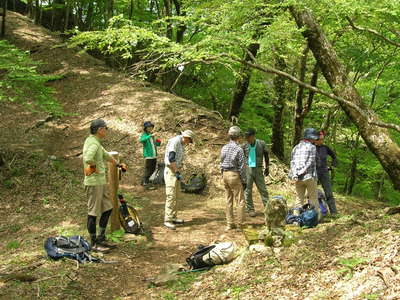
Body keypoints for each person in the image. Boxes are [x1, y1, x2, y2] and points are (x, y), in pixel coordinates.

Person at [83, 119, 117, 252]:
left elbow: (105, 155)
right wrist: (95, 169)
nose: (106, 130)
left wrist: (116, 163)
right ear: (99, 130)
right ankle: (93, 243)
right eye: (105, 128)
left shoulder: (95, 141)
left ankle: (101, 238)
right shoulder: (93, 143)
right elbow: (88, 159)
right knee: (93, 213)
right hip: (94, 183)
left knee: (108, 208)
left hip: (100, 183)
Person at [163, 130, 195, 230]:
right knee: (171, 195)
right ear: (185, 137)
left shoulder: (181, 144)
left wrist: (178, 171)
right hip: (171, 170)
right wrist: (176, 171)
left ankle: (173, 217)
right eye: (189, 141)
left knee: (176, 195)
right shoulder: (175, 141)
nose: (188, 143)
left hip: (175, 170)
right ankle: (167, 220)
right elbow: (171, 158)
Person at [289, 128, 321, 219]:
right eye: (314, 138)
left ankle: (295, 219)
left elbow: (292, 162)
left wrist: (296, 174)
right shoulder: (312, 147)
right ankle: (314, 219)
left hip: (297, 178)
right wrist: (302, 172)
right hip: (309, 176)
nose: (315, 140)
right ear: (310, 138)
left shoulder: (296, 147)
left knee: (299, 199)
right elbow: (310, 161)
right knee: (313, 199)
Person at [220, 126, 247, 231]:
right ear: (238, 136)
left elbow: (221, 162)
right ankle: (240, 225)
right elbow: (242, 166)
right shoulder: (239, 149)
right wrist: (244, 180)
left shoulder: (224, 148)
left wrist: (222, 174)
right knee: (240, 201)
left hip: (225, 174)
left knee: (228, 200)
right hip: (234, 175)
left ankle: (229, 224)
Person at [242, 128, 270, 217]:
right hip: (248, 169)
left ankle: (268, 208)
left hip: (258, 169)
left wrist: (267, 167)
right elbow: (241, 158)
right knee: (248, 190)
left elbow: (266, 154)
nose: (247, 139)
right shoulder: (244, 145)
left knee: (263, 190)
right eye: (246, 137)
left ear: (253, 136)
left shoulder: (261, 143)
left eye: (249, 137)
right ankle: (250, 209)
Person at [315, 130, 338, 215]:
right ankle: (314, 213)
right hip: (314, 173)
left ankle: (334, 212)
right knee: (312, 193)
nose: (321, 141)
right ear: (316, 139)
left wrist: (332, 167)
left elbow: (334, 157)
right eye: (320, 139)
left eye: (322, 139)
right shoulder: (311, 147)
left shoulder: (325, 148)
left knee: (329, 193)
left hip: (324, 172)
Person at [139, 121, 161, 186]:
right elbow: (141, 140)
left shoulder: (152, 135)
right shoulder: (145, 135)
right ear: (145, 128)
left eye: (151, 127)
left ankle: (148, 181)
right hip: (148, 155)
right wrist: (150, 136)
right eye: (148, 127)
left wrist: (158, 140)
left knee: (153, 169)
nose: (150, 128)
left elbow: (157, 144)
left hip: (154, 155)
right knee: (148, 169)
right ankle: (145, 182)